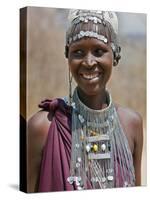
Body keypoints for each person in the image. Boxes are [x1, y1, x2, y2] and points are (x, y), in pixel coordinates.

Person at [27, 9, 143, 193]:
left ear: (115, 55)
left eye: (99, 51)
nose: (89, 62)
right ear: (68, 56)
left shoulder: (132, 124)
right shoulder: (42, 127)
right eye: (78, 52)